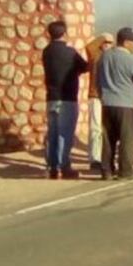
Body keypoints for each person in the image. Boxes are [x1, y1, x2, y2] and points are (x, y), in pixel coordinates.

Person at [97, 27, 133, 180]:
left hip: (107, 102)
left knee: (108, 138)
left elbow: (97, 79)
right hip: (126, 103)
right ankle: (125, 171)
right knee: (127, 138)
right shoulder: (130, 59)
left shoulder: (105, 56)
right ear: (126, 42)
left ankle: (106, 170)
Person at [42, 21, 88, 179]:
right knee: (64, 134)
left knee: (53, 133)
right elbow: (84, 67)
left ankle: (52, 167)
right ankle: (63, 166)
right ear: (64, 33)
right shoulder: (70, 52)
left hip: (51, 97)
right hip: (67, 97)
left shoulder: (46, 51)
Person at [84, 32, 114, 171]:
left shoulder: (113, 58)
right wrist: (103, 37)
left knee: (107, 130)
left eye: (110, 43)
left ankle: (106, 157)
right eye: (105, 43)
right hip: (95, 96)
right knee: (95, 129)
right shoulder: (95, 57)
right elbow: (89, 47)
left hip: (109, 97)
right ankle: (94, 158)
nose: (107, 45)